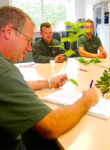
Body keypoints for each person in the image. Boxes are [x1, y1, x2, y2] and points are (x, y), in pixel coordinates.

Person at [0, 6, 99, 150]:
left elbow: (15, 86)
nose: (29, 48)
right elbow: (53, 125)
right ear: (9, 32)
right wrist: (87, 100)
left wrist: (48, 82)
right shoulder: (5, 71)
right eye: (28, 41)